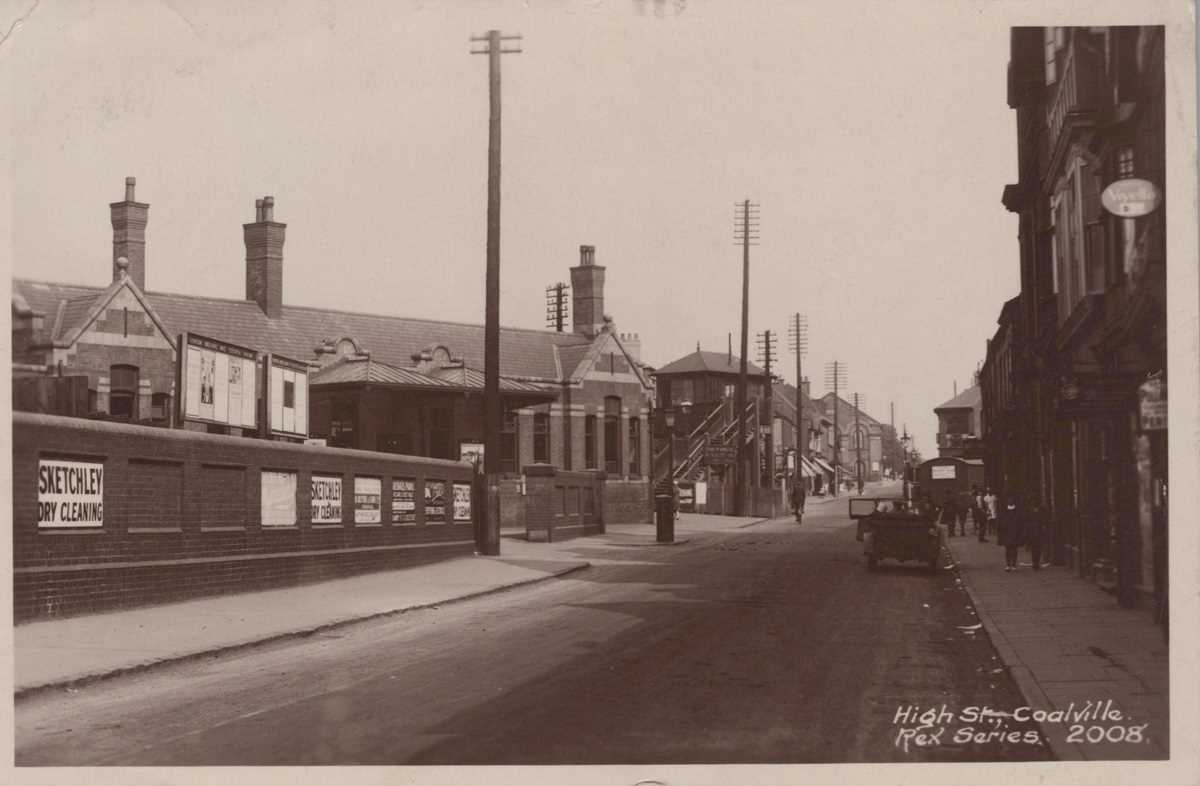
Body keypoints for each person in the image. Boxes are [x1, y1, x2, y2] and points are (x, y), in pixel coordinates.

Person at [997, 495, 1023, 571]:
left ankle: (1014, 565)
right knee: (1008, 548)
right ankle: (1008, 564)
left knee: (1015, 548)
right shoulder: (1004, 510)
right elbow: (1000, 521)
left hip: (1015, 531)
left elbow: (1020, 521)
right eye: (1009, 499)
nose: (1010, 500)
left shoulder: (1018, 510)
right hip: (1007, 531)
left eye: (1012, 499)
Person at [1026, 495, 1048, 570]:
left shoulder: (1042, 509)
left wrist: (1043, 525)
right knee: (1033, 547)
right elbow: (1027, 520)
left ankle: (1037, 562)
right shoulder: (1029, 509)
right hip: (1032, 531)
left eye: (1036, 501)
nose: (1034, 502)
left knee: (1038, 547)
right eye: (1033, 501)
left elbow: (1044, 518)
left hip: (1039, 530)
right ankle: (1034, 562)